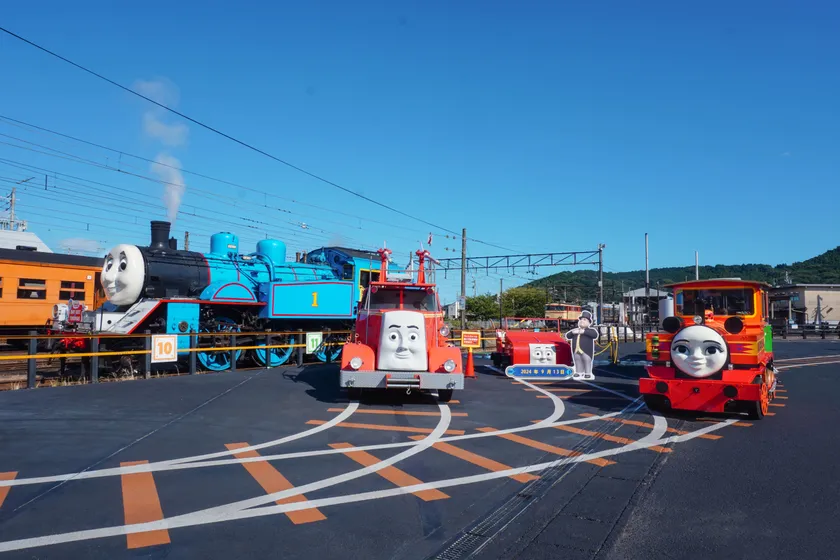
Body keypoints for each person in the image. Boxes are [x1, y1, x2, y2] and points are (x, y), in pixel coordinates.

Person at [564, 310, 598, 380]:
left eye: (584, 319)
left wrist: (584, 332)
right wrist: (572, 333)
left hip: (586, 350)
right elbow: (567, 336)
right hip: (576, 350)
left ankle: (587, 373)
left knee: (587, 360)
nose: (582, 321)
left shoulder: (590, 331)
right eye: (581, 319)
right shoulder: (575, 330)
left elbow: (595, 335)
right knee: (577, 360)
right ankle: (578, 372)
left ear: (589, 322)